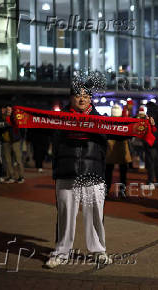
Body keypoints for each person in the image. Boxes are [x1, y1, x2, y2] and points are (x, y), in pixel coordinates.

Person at [45, 79, 111, 268]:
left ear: (91, 99)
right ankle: (61, 252)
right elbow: (37, 127)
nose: (82, 99)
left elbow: (125, 131)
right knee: (65, 216)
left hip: (93, 173)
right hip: (66, 172)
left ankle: (98, 250)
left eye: (86, 95)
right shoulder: (58, 119)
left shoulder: (102, 120)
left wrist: (143, 123)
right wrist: (14, 117)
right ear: (71, 98)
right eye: (78, 95)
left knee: (96, 214)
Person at [105, 104, 131, 199]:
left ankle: (106, 190)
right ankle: (122, 191)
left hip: (110, 147)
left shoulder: (107, 121)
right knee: (123, 173)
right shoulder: (125, 122)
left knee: (108, 171)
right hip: (122, 147)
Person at [142, 100, 158, 190]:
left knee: (150, 162)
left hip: (151, 141)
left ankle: (150, 181)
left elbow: (148, 126)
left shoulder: (150, 113)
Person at [1, 104, 25, 183]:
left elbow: (18, 125)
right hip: (6, 141)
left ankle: (21, 177)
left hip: (15, 140)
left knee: (18, 159)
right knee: (8, 160)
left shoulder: (14, 117)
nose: (4, 110)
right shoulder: (1, 118)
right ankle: (10, 176)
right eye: (4, 109)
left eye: (7, 109)